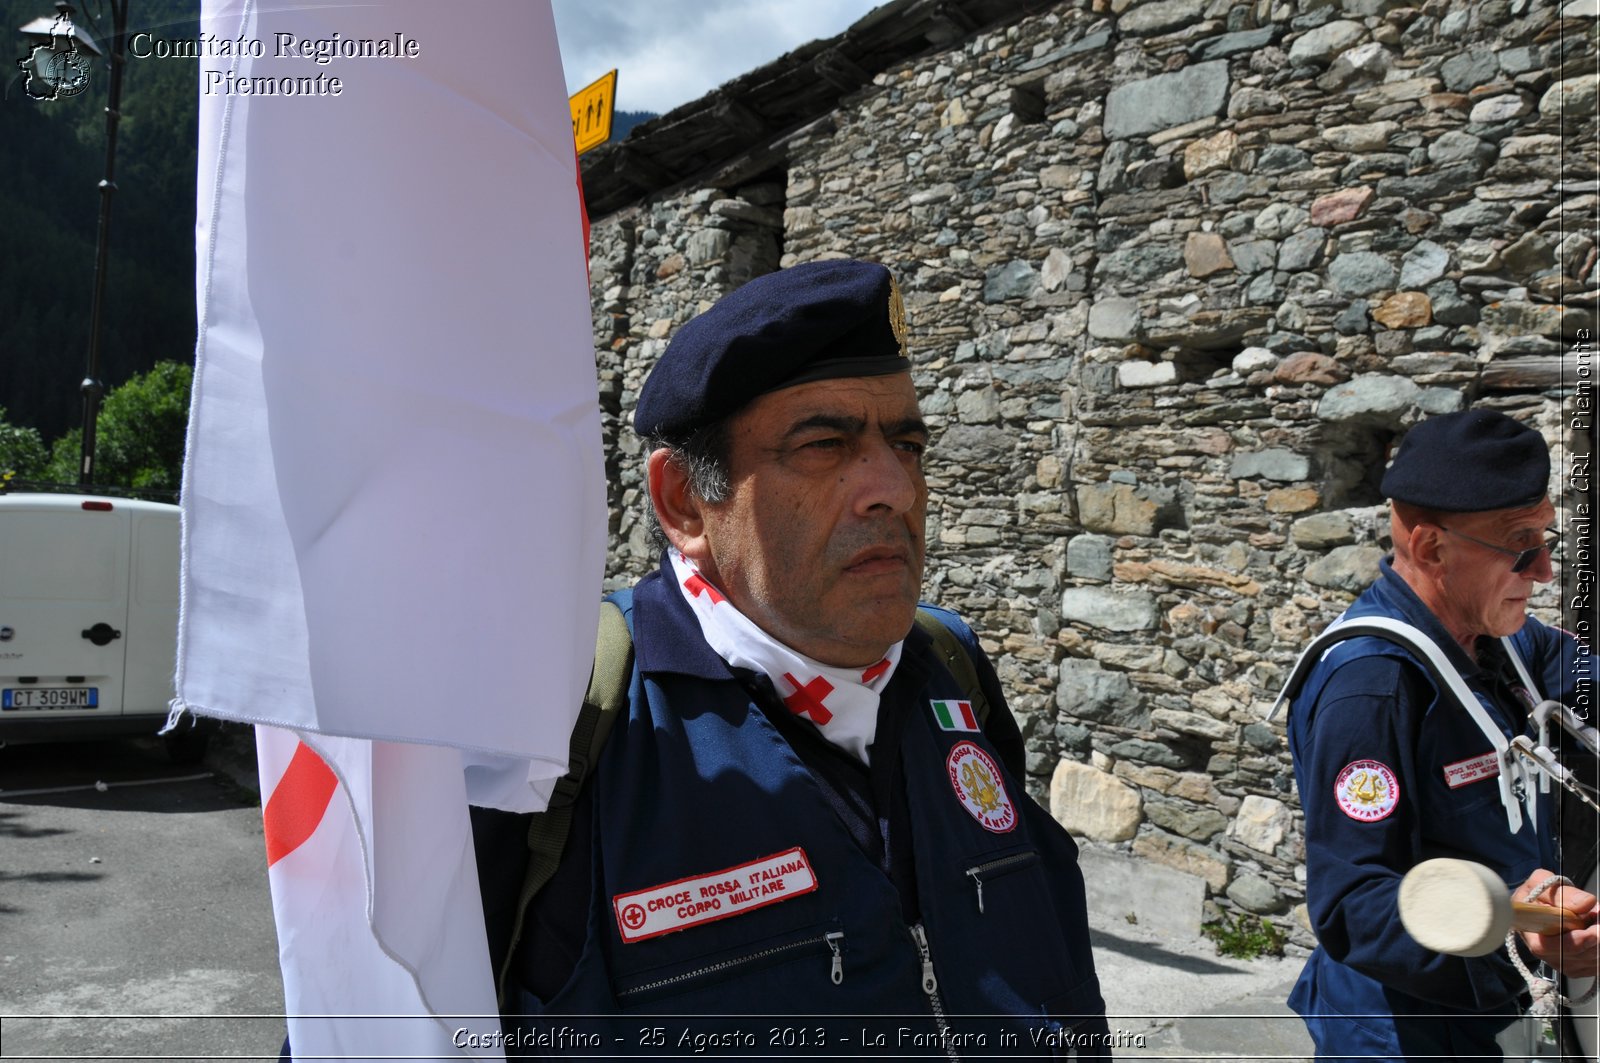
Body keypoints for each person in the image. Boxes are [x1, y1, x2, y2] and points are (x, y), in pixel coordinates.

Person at [472, 259, 1110, 1055]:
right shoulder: (563, 711)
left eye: (906, 443)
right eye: (823, 443)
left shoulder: (951, 667)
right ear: (684, 502)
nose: (895, 490)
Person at [1284, 408, 1599, 1059]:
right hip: (1404, 1033)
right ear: (1431, 548)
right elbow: (1353, 906)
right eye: (1521, 544)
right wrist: (1521, 924)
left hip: (1495, 1011)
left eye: (1548, 539)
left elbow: (1582, 675)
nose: (1543, 570)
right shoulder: (1370, 688)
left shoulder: (1500, 637)